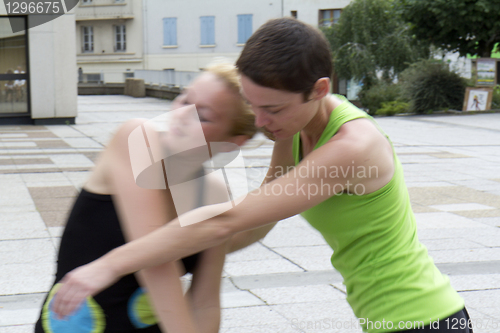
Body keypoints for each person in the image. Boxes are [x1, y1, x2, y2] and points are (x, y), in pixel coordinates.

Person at [53, 18, 472, 333]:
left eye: (272, 109)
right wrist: (195, 247)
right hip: (380, 316)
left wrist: (106, 265)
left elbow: (226, 223)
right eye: (253, 106)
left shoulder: (351, 147)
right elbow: (258, 218)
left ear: (320, 90)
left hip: (423, 317)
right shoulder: (292, 131)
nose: (262, 121)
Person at [35, 63, 258, 333]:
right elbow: (155, 265)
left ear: (235, 140)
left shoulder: (213, 194)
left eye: (203, 116)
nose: (182, 114)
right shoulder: (137, 138)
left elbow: (205, 302)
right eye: (185, 99)